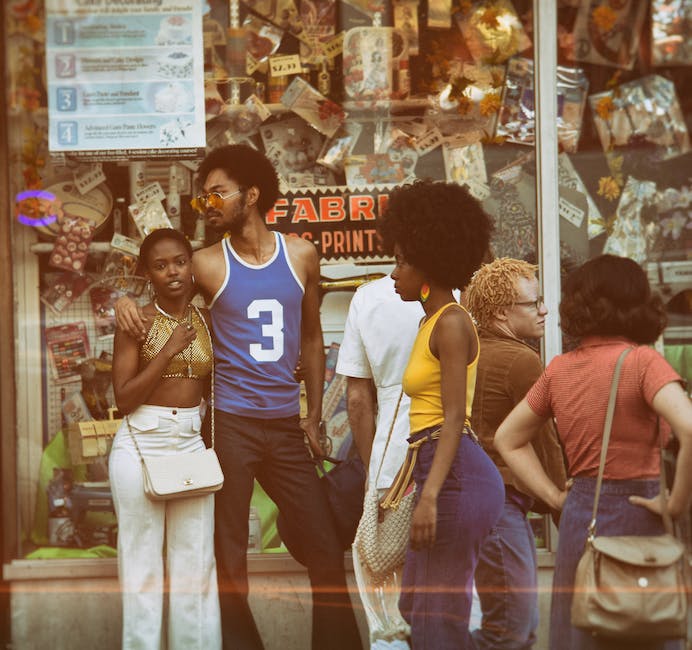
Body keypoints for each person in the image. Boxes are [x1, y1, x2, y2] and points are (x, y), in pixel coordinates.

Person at [115, 144, 363, 650]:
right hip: (230, 426)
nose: (208, 204)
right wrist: (124, 300)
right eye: (204, 196)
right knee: (228, 557)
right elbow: (161, 289)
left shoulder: (301, 254)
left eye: (217, 193)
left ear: (251, 194)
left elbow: (312, 337)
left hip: (286, 425)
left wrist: (314, 415)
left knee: (322, 547)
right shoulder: (206, 263)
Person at [495, 254, 692, 650]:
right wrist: (674, 505)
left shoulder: (559, 369)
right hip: (643, 510)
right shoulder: (642, 363)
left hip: (580, 514)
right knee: (646, 628)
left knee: (582, 634)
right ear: (635, 303)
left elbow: (508, 439)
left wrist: (553, 497)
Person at [378, 179, 505, 649]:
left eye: (401, 261)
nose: (393, 273)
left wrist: (428, 497)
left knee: (437, 618)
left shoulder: (451, 322)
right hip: (441, 470)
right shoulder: (431, 319)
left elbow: (455, 418)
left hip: (453, 475)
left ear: (429, 264)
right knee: (420, 608)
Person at [109, 228, 221, 649]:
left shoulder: (207, 320)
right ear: (147, 274)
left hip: (190, 443)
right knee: (142, 569)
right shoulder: (137, 322)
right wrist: (169, 350)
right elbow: (124, 399)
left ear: (192, 267)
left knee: (196, 566)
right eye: (160, 265)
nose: (172, 272)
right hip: (141, 446)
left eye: (179, 261)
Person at [464, 257, 567, 650]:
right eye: (533, 303)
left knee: (512, 627)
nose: (544, 310)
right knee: (510, 630)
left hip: (475, 502)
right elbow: (546, 444)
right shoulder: (520, 359)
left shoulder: (472, 349)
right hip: (499, 506)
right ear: (503, 311)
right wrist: (563, 510)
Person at [335, 274, 422, 649]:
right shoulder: (454, 293)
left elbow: (357, 400)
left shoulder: (368, 298)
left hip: (391, 457)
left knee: (387, 601)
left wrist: (372, 471)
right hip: (449, 456)